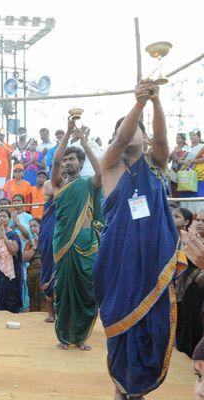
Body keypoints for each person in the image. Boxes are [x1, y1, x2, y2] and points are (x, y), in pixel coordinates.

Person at [92, 80, 183, 399]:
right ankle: (121, 390)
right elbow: (119, 140)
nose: (131, 133)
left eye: (137, 130)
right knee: (122, 333)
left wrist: (156, 102)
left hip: (152, 267)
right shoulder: (111, 166)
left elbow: (162, 140)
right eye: (125, 129)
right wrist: (139, 104)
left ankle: (138, 393)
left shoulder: (156, 164)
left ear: (144, 138)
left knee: (150, 334)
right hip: (120, 267)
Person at [51, 118, 103, 351]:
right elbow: (54, 161)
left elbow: (101, 171)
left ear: (81, 163)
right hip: (63, 243)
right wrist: (68, 132)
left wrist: (83, 140)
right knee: (63, 291)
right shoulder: (58, 186)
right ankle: (64, 337)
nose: (67, 163)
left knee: (87, 291)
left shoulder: (88, 183)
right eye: (65, 160)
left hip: (87, 245)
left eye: (72, 159)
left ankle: (81, 337)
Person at [176, 212, 204, 359]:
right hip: (188, 294)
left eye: (203, 221)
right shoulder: (189, 242)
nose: (199, 223)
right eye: (197, 220)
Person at [0, 209, 23, 312]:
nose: (2, 218)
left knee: (9, 291)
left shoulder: (13, 234)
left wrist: (5, 237)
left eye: (4, 216)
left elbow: (14, 251)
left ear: (9, 219)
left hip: (11, 268)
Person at [38, 180, 56, 323]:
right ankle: (51, 313)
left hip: (59, 241)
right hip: (46, 242)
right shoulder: (49, 204)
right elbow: (49, 187)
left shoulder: (65, 197)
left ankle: (61, 313)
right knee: (46, 274)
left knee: (59, 276)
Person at [22, 219, 45, 312]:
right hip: (33, 272)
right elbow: (25, 257)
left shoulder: (48, 240)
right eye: (31, 227)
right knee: (33, 295)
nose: (32, 228)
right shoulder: (29, 242)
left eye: (35, 226)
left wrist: (41, 243)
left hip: (45, 271)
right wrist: (34, 248)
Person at [178, 129, 204, 197]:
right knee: (186, 198)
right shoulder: (186, 149)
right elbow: (180, 160)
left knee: (197, 199)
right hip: (186, 176)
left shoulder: (202, 147)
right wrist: (185, 162)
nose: (192, 137)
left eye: (194, 135)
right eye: (191, 135)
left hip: (199, 177)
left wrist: (191, 161)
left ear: (199, 137)